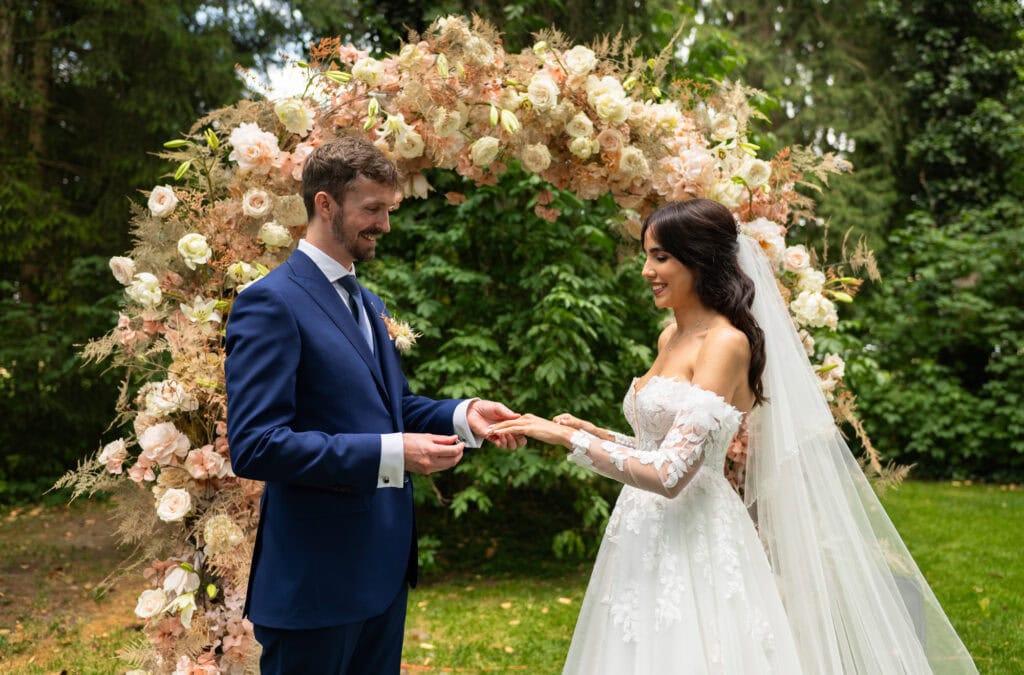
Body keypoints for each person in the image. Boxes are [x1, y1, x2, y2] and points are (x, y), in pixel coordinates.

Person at [491, 199, 978, 674]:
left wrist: (565, 442)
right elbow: (662, 448)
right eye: (646, 255)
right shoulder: (669, 336)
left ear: (700, 260)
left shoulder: (726, 343)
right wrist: (591, 432)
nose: (646, 270)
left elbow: (671, 475)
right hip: (642, 530)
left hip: (694, 533)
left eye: (660, 256)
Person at [225, 135, 523, 674]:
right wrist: (391, 454)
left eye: (388, 209)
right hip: (315, 586)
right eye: (373, 209)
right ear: (325, 204)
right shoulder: (270, 302)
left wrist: (464, 414)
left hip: (380, 578)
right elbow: (256, 445)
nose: (384, 225)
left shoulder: (369, 301)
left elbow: (394, 408)